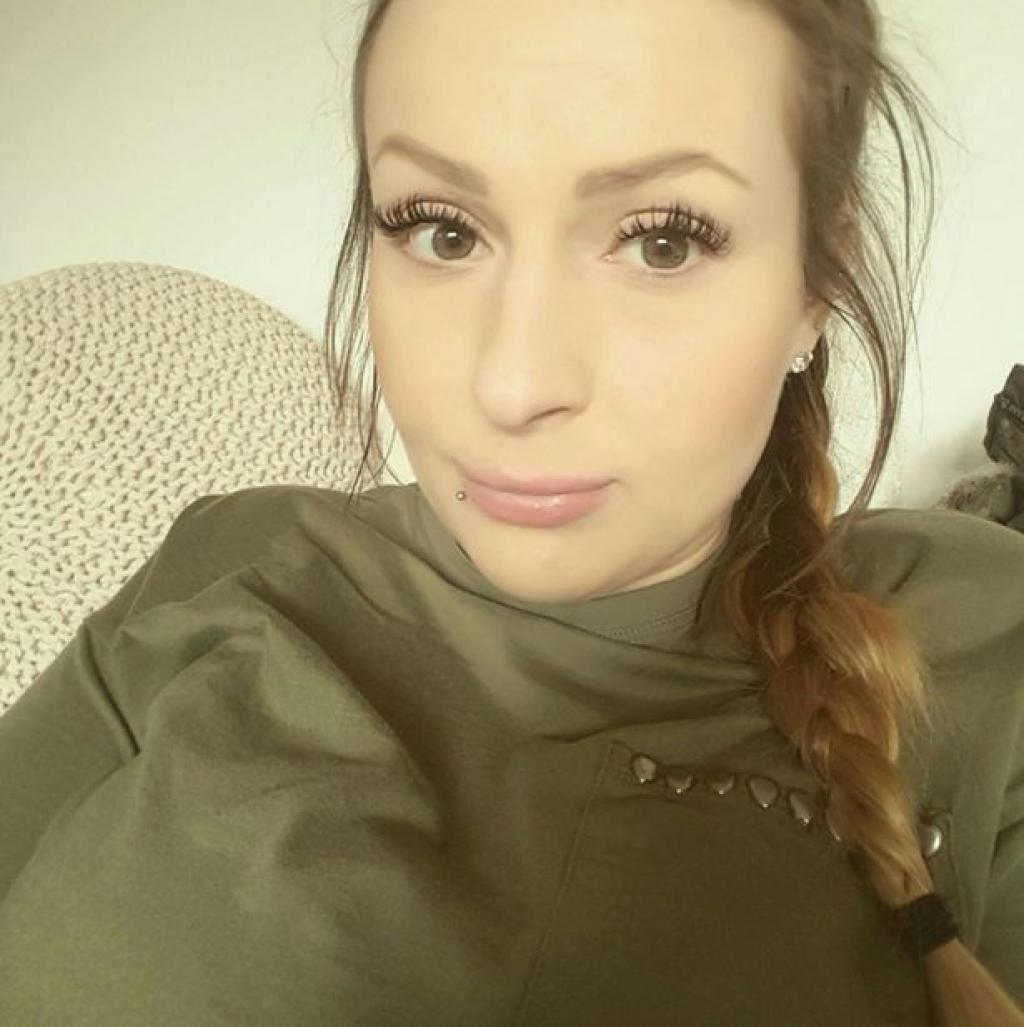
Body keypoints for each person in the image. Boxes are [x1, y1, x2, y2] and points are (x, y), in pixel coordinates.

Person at [1, 0, 1022, 1023]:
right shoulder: (230, 556)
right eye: (441, 230)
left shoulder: (986, 640)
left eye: (663, 242)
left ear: (817, 281)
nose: (512, 383)